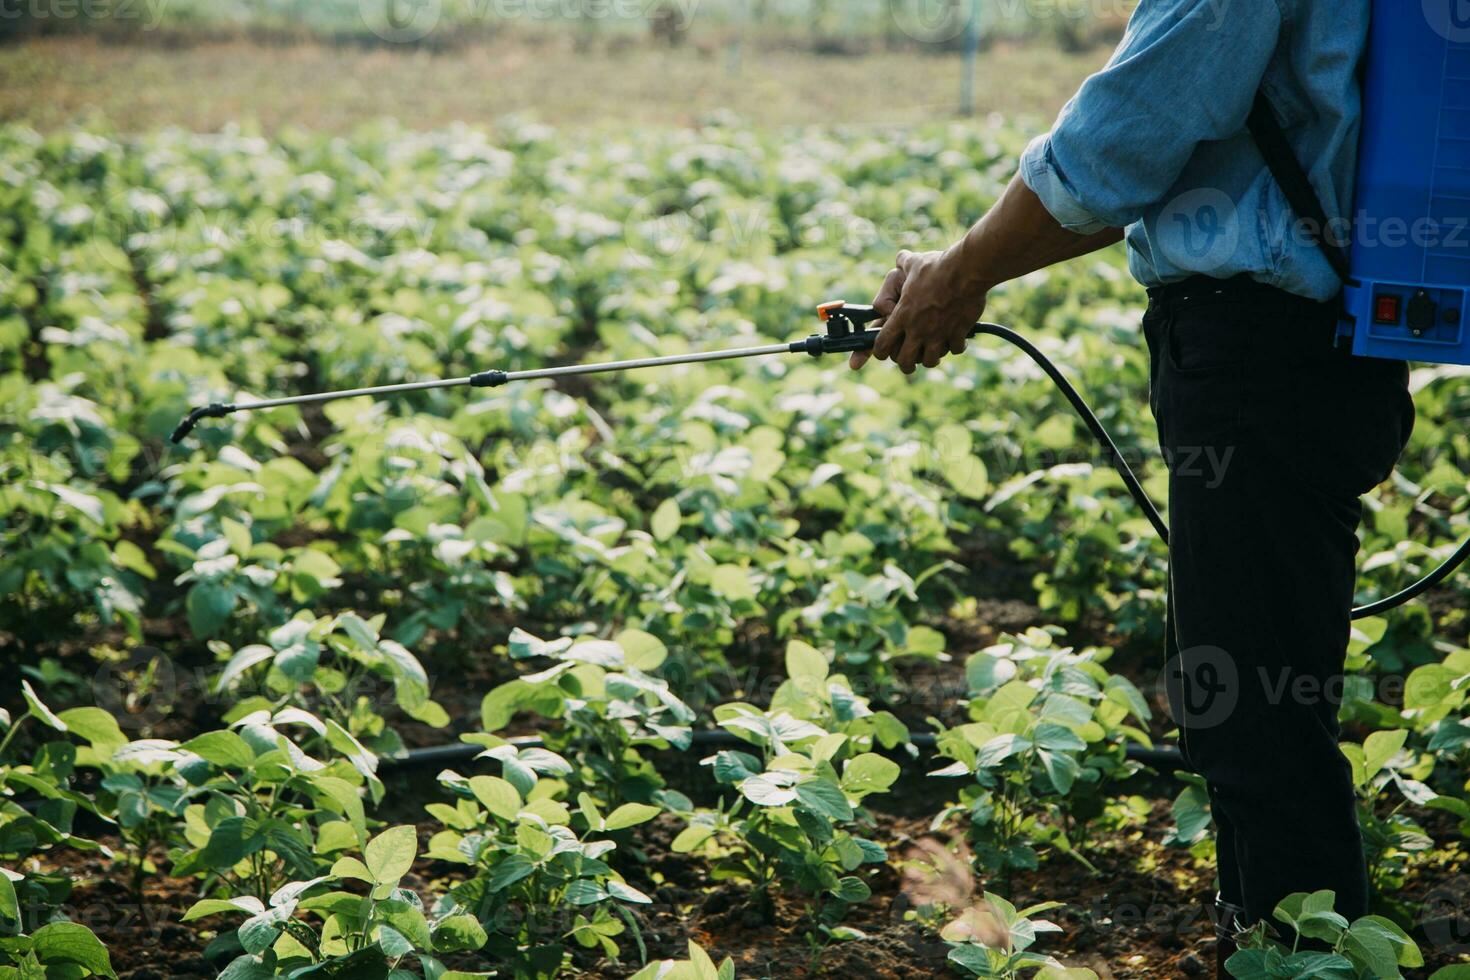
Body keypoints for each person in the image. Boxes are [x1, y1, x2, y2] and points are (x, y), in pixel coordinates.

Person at [849, 1, 1414, 974]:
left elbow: (1129, 131)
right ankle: (1281, 949)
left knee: (1258, 725)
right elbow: (1148, 172)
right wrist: (962, 271)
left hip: (1257, 355)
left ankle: (1296, 957)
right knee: (1256, 701)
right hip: (1318, 350)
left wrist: (964, 270)